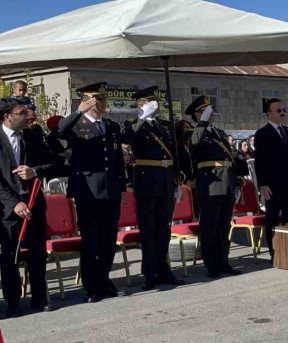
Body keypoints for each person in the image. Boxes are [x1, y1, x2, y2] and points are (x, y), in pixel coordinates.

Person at [57, 82, 126, 301]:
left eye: (103, 99)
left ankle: (104, 279)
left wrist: (121, 186)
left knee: (108, 239)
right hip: (88, 191)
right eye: (97, 99)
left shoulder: (111, 126)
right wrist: (78, 112)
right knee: (91, 240)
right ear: (86, 101)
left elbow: (116, 161)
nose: (102, 103)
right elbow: (58, 132)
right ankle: (92, 286)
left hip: (110, 190)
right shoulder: (77, 125)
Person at [0, 99, 66, 317]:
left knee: (37, 254)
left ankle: (39, 297)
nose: (27, 116)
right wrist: (14, 203)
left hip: (34, 205)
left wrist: (34, 171)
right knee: (10, 257)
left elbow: (53, 164)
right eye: (21, 113)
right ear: (7, 116)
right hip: (8, 210)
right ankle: (13, 302)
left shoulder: (32, 136)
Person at [122, 86, 184, 290]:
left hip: (165, 181)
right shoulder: (132, 125)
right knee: (148, 230)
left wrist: (177, 177)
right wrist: (142, 119)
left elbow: (174, 152)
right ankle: (149, 273)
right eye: (150, 102)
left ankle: (163, 269)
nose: (155, 105)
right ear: (141, 104)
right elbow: (128, 141)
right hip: (147, 181)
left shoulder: (164, 126)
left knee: (163, 229)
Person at [186, 95, 244, 278]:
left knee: (223, 225)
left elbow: (229, 159)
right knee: (209, 225)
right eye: (204, 111)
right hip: (210, 183)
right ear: (197, 114)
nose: (210, 114)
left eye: (209, 111)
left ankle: (223, 261)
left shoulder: (218, 132)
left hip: (226, 181)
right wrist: (202, 122)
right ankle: (211, 264)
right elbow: (194, 143)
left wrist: (236, 179)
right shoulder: (194, 132)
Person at [253, 98, 288, 262]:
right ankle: (274, 252)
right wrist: (263, 184)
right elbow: (260, 162)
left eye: (284, 110)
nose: (283, 113)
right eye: (278, 110)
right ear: (269, 114)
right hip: (273, 185)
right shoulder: (262, 133)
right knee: (272, 219)